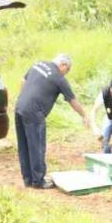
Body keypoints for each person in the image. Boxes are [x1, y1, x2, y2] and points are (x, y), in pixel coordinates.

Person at [15, 54, 89, 189]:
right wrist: (84, 115)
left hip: (20, 107)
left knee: (24, 146)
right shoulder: (59, 78)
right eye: (67, 71)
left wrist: (22, 98)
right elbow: (72, 100)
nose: (66, 74)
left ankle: (28, 179)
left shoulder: (38, 64)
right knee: (37, 146)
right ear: (63, 65)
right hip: (34, 112)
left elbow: (23, 80)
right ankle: (38, 181)